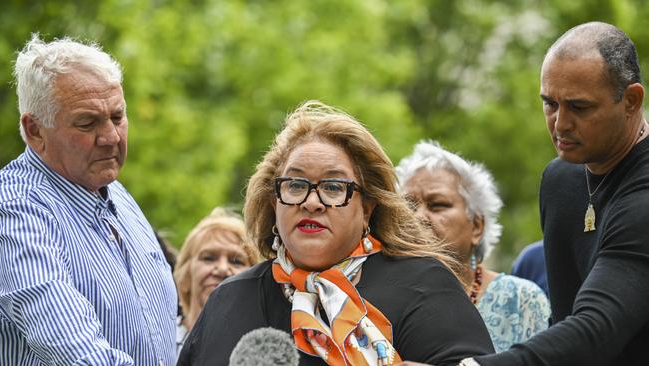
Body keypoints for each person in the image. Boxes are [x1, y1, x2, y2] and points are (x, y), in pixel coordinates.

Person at [178, 101, 494, 365]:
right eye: (296, 185)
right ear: (275, 203)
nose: (311, 202)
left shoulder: (423, 287)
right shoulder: (231, 299)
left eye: (333, 187)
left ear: (367, 208)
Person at [470, 21, 649, 366]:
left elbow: (595, 332)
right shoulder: (560, 178)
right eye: (550, 103)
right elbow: (564, 320)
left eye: (579, 108)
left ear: (631, 100)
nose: (560, 124)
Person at [0, 35, 177, 365]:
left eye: (118, 117)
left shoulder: (115, 193)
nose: (111, 137)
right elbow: (75, 352)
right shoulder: (14, 211)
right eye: (88, 122)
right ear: (35, 130)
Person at [396, 141, 550, 353]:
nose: (418, 217)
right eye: (408, 207)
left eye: (437, 205)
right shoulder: (379, 299)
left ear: (477, 227)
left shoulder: (521, 301)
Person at [173, 207, 258, 354]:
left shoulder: (263, 350)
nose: (223, 269)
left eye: (236, 261)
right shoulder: (159, 340)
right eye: (209, 258)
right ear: (185, 276)